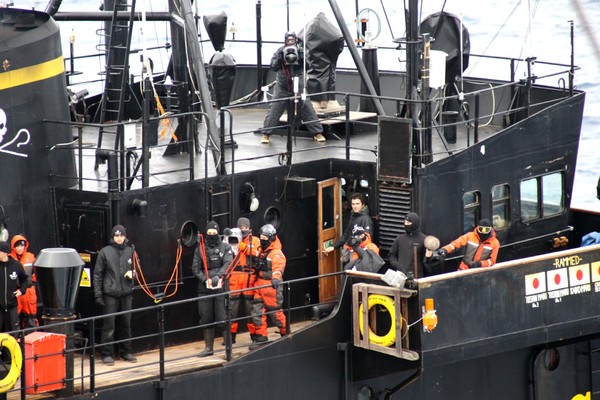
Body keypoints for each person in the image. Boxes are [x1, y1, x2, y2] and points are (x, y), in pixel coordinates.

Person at [260, 31, 326, 144]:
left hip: (298, 85)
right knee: (275, 109)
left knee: (307, 108)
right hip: (282, 86)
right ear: (285, 40)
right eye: (288, 40)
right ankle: (266, 133)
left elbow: (309, 66)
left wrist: (302, 59)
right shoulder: (279, 51)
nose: (290, 42)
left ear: (295, 40)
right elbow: (273, 67)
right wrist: (280, 59)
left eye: (292, 40)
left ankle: (317, 132)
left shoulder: (301, 51)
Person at [93, 225, 138, 365]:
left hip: (126, 293)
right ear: (113, 237)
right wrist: (98, 295)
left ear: (125, 236)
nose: (119, 238)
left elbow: (138, 271)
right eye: (117, 236)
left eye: (121, 235)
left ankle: (126, 351)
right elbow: (97, 275)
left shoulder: (131, 251)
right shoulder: (104, 252)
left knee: (126, 324)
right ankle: (106, 354)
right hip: (110, 294)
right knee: (109, 325)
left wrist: (133, 275)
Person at [192, 221, 233, 357]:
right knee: (206, 317)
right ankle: (208, 348)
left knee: (223, 317)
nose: (211, 235)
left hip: (221, 287)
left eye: (214, 233)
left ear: (218, 233)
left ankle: (228, 349)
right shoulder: (200, 249)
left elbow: (228, 263)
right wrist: (205, 279)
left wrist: (218, 277)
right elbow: (196, 268)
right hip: (205, 288)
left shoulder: (225, 247)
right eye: (209, 233)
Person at [250, 224, 287, 349]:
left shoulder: (276, 253)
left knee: (276, 314)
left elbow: (279, 267)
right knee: (257, 313)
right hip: (259, 284)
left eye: (265, 237)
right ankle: (261, 338)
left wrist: (276, 278)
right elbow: (255, 253)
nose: (262, 239)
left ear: (271, 238)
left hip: (271, 286)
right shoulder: (262, 250)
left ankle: (285, 333)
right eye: (261, 237)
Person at [227, 217, 260, 344]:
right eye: (241, 227)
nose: (243, 229)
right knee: (232, 309)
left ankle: (254, 336)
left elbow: (257, 254)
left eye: (245, 227)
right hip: (234, 277)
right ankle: (231, 336)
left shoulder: (255, 240)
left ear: (249, 227)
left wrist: (244, 247)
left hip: (248, 277)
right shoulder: (231, 239)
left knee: (250, 309)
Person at [0, 241, 30, 334]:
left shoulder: (16, 265)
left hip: (12, 306)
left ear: (5, 252)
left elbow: (25, 279)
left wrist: (22, 291)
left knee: (13, 334)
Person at [10, 235, 38, 328]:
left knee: (30, 318)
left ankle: (30, 338)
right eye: (17, 246)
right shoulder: (10, 259)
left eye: (21, 246)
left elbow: (37, 272)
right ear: (13, 247)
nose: (19, 248)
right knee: (14, 319)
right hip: (15, 292)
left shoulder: (31, 257)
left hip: (28, 291)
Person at [387, 212, 427, 278]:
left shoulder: (424, 239)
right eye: (405, 222)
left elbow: (427, 261)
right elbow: (392, 255)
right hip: (401, 276)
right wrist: (398, 265)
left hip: (417, 277)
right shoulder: (400, 239)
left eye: (408, 223)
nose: (406, 224)